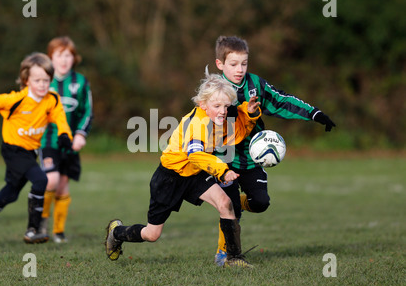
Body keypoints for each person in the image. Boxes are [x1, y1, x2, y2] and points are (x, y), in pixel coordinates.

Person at [105, 73, 262, 268]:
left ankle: (233, 258)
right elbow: (194, 154)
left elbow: (236, 134)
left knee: (226, 203)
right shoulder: (197, 124)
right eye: (217, 106)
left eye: (226, 106)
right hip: (170, 178)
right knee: (152, 234)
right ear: (203, 105)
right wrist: (222, 171)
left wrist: (250, 114)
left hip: (196, 174)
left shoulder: (218, 120)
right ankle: (116, 232)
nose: (223, 111)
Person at [213, 36, 336, 266]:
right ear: (220, 64)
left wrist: (314, 113)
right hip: (224, 157)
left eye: (244, 63)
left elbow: (281, 101)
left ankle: (235, 204)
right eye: (233, 64)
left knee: (260, 203)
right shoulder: (214, 90)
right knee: (229, 207)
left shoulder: (256, 85)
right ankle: (224, 253)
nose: (240, 69)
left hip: (251, 158)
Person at [0, 52, 73, 247]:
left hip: (30, 152)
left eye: (46, 80)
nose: (42, 84)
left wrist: (64, 135)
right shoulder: (16, 100)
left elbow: (60, 118)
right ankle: (33, 230)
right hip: (13, 150)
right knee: (41, 180)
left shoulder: (52, 99)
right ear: (26, 80)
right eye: (37, 80)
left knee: (10, 194)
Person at [39, 36, 93, 243]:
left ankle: (58, 232)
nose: (64, 60)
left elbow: (87, 111)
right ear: (50, 57)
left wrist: (80, 134)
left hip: (70, 143)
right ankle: (40, 221)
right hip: (47, 141)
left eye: (68, 55)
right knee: (50, 180)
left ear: (74, 58)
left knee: (62, 185)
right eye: (59, 55)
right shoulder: (44, 80)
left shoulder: (80, 82)